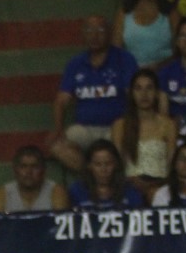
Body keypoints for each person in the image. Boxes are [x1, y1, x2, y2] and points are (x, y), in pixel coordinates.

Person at [46, 16, 141, 173]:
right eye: (89, 30)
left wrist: (133, 122)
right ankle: (93, 176)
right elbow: (61, 101)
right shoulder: (75, 64)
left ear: (110, 33)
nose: (95, 35)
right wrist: (58, 128)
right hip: (85, 128)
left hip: (116, 127)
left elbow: (134, 95)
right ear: (83, 34)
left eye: (100, 30)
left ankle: (114, 178)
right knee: (57, 147)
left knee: (125, 138)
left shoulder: (124, 59)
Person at [113, 69, 179, 197]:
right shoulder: (120, 125)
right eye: (138, 88)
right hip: (129, 186)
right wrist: (132, 181)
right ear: (132, 93)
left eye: (149, 88)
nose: (144, 94)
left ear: (156, 93)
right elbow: (117, 165)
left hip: (160, 185)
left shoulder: (168, 125)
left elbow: (172, 165)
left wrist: (155, 185)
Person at [113, 0, 174, 69]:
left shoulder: (171, 12)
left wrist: (159, 67)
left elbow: (181, 51)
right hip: (132, 73)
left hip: (166, 72)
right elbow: (116, 50)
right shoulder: (124, 12)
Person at [67, 139, 146, 208]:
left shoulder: (130, 190)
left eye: (108, 163)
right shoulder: (77, 190)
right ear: (89, 166)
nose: (103, 169)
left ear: (116, 164)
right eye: (98, 164)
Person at [0, 145, 68, 212]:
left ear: (43, 170)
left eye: (34, 166)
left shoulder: (56, 192)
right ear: (15, 170)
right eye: (23, 166)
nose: (29, 172)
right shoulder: (1, 194)